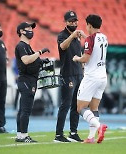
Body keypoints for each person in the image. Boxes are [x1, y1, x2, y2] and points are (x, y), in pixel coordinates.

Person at [72, 14, 108, 143]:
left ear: (90, 25)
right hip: (103, 77)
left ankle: (100, 127)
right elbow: (94, 44)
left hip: (91, 77)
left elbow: (86, 58)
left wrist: (77, 58)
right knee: (94, 108)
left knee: (80, 108)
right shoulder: (104, 38)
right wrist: (85, 36)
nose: (86, 27)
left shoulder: (89, 40)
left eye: (86, 25)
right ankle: (91, 137)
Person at [54, 10, 86, 142]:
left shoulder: (77, 36)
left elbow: (78, 52)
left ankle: (73, 132)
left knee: (76, 105)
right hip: (68, 74)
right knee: (65, 104)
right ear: (65, 22)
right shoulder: (62, 35)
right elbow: (62, 46)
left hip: (78, 73)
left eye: (75, 21)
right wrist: (72, 35)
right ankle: (58, 135)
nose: (74, 23)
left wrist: (83, 68)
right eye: (71, 21)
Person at [15, 22, 50, 143]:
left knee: (22, 110)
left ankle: (20, 135)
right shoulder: (21, 46)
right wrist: (40, 52)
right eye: (28, 28)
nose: (31, 30)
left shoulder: (27, 46)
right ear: (21, 31)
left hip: (29, 80)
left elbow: (32, 61)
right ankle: (24, 135)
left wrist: (40, 61)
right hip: (26, 80)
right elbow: (26, 60)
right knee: (26, 110)